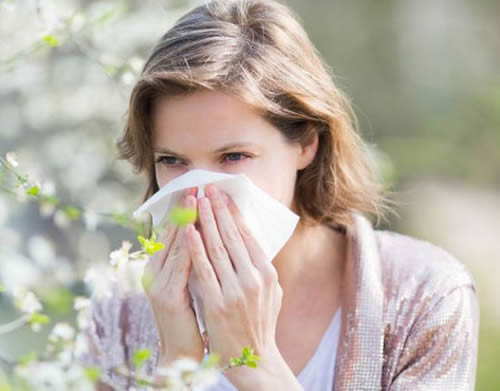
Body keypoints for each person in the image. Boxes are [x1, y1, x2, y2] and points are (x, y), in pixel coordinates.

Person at [80, 0, 479, 390]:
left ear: (306, 143)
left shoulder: (424, 297)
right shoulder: (119, 315)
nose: (199, 192)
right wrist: (176, 371)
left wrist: (257, 367)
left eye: (234, 156)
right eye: (173, 161)